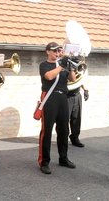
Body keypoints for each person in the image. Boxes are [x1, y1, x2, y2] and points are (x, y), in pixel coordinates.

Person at [38, 42, 77, 174]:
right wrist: (61, 65)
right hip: (50, 98)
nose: (57, 53)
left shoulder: (63, 66)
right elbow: (49, 76)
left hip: (63, 98)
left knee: (64, 130)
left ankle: (63, 158)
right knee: (47, 130)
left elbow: (72, 79)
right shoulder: (44, 65)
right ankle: (44, 161)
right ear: (47, 51)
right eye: (54, 51)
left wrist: (71, 66)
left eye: (59, 50)